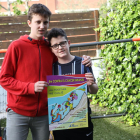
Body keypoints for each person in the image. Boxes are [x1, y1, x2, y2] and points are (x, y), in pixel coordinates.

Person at [0, 3, 92, 140]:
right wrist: (30, 87)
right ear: (29, 22)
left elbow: (65, 58)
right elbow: (4, 79)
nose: (42, 26)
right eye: (38, 22)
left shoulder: (50, 47)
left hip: (44, 114)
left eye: (45, 22)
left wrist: (84, 59)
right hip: (18, 112)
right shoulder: (16, 46)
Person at [47, 28, 98, 140]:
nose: (60, 47)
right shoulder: (50, 69)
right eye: (55, 45)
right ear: (51, 49)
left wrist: (90, 84)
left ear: (68, 43)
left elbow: (94, 90)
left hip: (82, 121)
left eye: (62, 43)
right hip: (60, 125)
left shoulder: (83, 63)